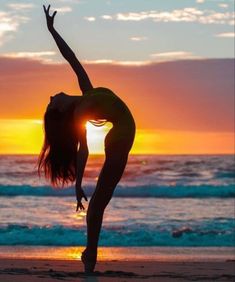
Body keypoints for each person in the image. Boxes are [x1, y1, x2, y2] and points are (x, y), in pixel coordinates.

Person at [38, 5, 135, 273]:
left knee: (98, 205)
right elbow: (84, 150)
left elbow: (71, 57)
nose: (51, 97)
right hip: (121, 136)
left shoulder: (87, 92)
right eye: (50, 103)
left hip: (121, 134)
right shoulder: (81, 109)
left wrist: (52, 30)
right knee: (97, 205)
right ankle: (90, 255)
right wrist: (78, 183)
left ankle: (90, 255)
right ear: (59, 109)